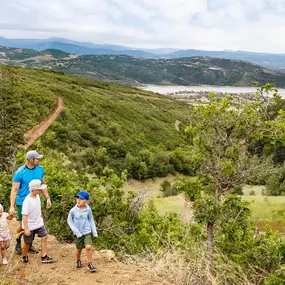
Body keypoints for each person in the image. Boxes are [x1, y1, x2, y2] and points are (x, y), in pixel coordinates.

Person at [9, 150, 52, 255]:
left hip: (35, 200)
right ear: (31, 160)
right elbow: (14, 190)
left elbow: (43, 184)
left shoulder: (40, 170)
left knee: (33, 224)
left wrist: (47, 197)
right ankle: (18, 240)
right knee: (23, 225)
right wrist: (12, 206)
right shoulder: (20, 172)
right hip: (22, 202)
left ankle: (29, 244)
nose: (39, 160)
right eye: (37, 158)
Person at [22, 179, 54, 264]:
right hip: (30, 225)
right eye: (39, 189)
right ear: (33, 190)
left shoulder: (37, 196)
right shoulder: (27, 201)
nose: (40, 190)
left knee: (44, 236)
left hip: (38, 222)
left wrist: (48, 199)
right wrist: (26, 228)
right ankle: (24, 256)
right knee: (27, 242)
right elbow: (24, 215)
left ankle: (44, 256)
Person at [67, 190, 98, 272]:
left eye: (81, 199)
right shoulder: (73, 210)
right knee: (79, 249)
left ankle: (90, 264)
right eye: (78, 198)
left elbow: (91, 219)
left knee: (88, 247)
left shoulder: (88, 209)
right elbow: (69, 221)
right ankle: (78, 261)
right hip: (78, 233)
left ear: (86, 201)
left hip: (87, 231)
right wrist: (76, 231)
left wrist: (94, 231)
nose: (78, 200)